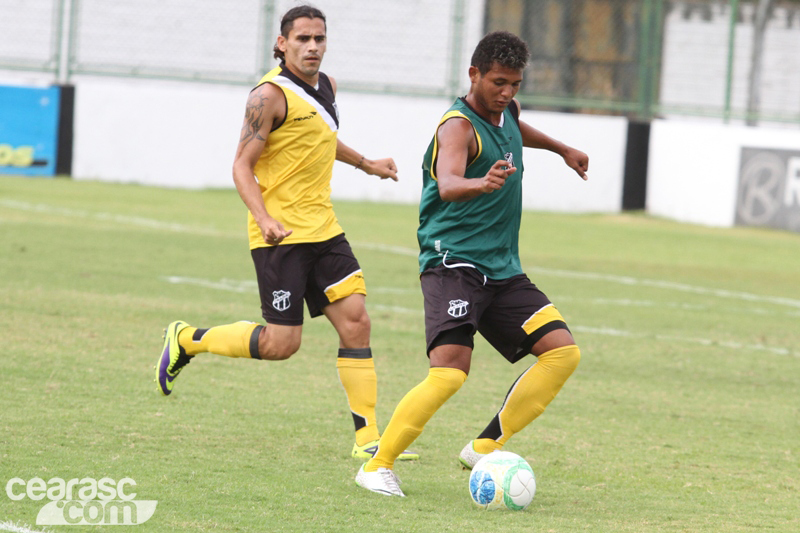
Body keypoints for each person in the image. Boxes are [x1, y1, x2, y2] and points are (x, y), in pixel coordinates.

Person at [155, 5, 417, 462]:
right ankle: (186, 339)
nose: (312, 46)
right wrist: (264, 218)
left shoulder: (328, 86)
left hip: (324, 229)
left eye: (319, 38)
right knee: (282, 344)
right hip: (281, 236)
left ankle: (368, 440)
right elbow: (241, 166)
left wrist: (367, 164)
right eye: (302, 39)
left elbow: (320, 137)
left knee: (356, 321)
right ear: (282, 43)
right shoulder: (268, 96)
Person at [355, 30, 588, 496]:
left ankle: (484, 446)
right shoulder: (456, 126)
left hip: (502, 269)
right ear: (474, 74)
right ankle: (376, 465)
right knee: (449, 372)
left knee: (562, 352)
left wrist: (562, 149)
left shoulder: (508, 113)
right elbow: (447, 183)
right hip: (453, 264)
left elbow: (516, 128)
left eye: (515, 85)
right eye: (498, 82)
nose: (506, 93)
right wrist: (481, 184)